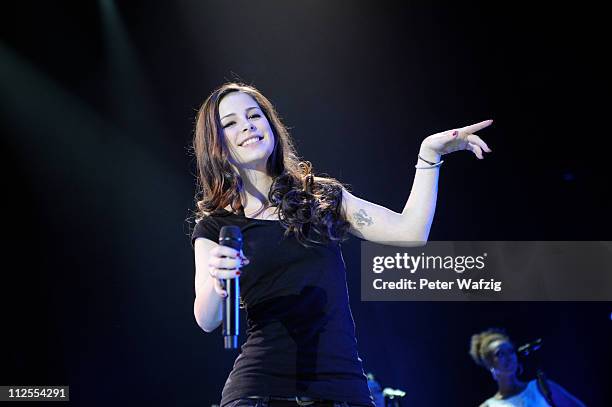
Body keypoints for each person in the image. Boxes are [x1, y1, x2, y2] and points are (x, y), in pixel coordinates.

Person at [191, 82, 492, 407]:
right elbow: (207, 319)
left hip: (341, 388)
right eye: (230, 123)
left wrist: (429, 155)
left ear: (270, 123)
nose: (247, 126)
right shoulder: (217, 225)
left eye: (254, 115)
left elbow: (411, 232)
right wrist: (218, 279)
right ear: (216, 143)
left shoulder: (320, 198)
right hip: (259, 390)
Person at [469, 328, 586, 407]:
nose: (508, 357)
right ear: (489, 364)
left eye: (510, 351)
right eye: (500, 353)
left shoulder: (542, 386)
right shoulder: (489, 405)